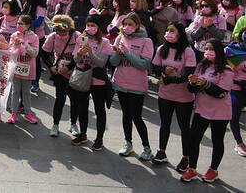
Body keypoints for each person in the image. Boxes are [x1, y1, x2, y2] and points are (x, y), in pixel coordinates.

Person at [181, 39, 234, 183]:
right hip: (201, 109)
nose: (208, 52)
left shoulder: (227, 70)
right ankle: (191, 168)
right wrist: (192, 83)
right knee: (194, 138)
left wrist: (206, 84)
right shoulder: (201, 66)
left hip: (220, 112)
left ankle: (213, 169)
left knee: (217, 141)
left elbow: (221, 92)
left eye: (212, 49)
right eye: (207, 48)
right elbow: (193, 89)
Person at [151, 22, 196, 171]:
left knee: (184, 127)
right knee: (165, 124)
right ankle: (162, 151)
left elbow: (188, 75)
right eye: (167, 30)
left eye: (172, 31)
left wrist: (169, 79)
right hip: (165, 95)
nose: (168, 33)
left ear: (180, 33)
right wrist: (164, 69)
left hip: (183, 97)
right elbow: (155, 67)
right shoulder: (161, 49)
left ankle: (186, 157)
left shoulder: (188, 51)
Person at [110, 12, 154, 160]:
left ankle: (147, 147)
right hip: (121, 82)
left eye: (130, 24)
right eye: (125, 24)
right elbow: (114, 62)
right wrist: (117, 53)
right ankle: (128, 143)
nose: (127, 27)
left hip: (137, 85)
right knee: (126, 115)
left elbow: (143, 64)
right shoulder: (119, 38)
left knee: (137, 116)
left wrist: (127, 53)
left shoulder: (146, 41)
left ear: (137, 26)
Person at [71, 12, 112, 150]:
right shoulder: (81, 39)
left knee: (99, 109)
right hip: (82, 78)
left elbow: (101, 63)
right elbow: (76, 60)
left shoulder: (105, 42)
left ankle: (99, 138)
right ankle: (83, 134)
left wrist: (91, 54)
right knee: (82, 107)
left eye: (93, 25)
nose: (89, 28)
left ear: (99, 27)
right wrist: (80, 53)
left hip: (98, 80)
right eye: (88, 25)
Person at [43, 14, 80, 138]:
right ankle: (55, 125)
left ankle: (74, 124)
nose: (61, 33)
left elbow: (78, 56)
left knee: (75, 100)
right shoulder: (53, 37)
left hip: (75, 72)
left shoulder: (77, 36)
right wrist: (50, 67)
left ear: (69, 28)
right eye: (58, 30)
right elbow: (44, 53)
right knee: (60, 98)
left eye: (63, 31)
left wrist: (69, 68)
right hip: (60, 73)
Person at [7, 14, 39, 125]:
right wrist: (15, 45)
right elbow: (10, 51)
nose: (19, 25)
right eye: (18, 23)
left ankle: (28, 113)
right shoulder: (14, 35)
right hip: (16, 67)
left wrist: (25, 44)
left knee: (26, 92)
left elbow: (35, 53)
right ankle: (13, 113)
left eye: (21, 23)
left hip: (28, 68)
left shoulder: (34, 37)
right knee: (15, 91)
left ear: (28, 25)